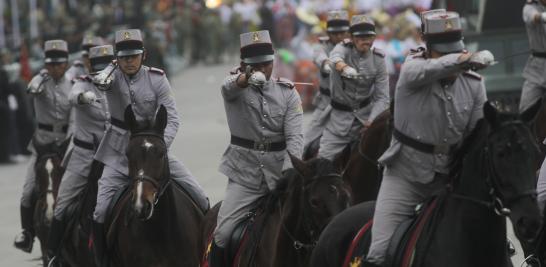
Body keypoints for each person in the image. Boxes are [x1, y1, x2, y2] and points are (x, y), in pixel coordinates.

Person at [363, 10, 493, 266]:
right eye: (443, 53)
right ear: (428, 49)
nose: (451, 60)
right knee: (379, 254)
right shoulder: (412, 71)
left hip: (450, 181)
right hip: (405, 177)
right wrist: (463, 58)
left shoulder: (475, 84)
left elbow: (479, 138)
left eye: (455, 51)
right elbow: (433, 68)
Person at [91, 29, 209, 267]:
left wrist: (159, 148)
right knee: (101, 211)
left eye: (134, 56)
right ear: (117, 59)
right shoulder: (110, 77)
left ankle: (206, 256)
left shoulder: (157, 78)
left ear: (143, 56)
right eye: (124, 57)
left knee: (202, 199)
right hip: (119, 156)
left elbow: (173, 118)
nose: (129, 62)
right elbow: (98, 83)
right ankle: (102, 261)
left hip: (154, 153)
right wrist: (108, 69)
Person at [208, 30, 304, 267]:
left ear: (273, 62)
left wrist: (289, 174)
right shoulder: (234, 87)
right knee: (223, 233)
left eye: (266, 63)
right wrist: (245, 79)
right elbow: (229, 87)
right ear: (243, 65)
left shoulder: (288, 93)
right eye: (255, 65)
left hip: (280, 175)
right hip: (245, 176)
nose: (262, 68)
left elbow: (295, 138)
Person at [46, 44, 114, 267]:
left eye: (106, 67)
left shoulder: (121, 85)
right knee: (62, 204)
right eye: (98, 68)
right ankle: (52, 256)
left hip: (114, 156)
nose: (102, 72)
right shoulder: (81, 84)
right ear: (89, 67)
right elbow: (73, 97)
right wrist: (84, 97)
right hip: (84, 157)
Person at [14, 40, 73, 253]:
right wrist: (39, 78)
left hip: (66, 145)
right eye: (51, 64)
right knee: (28, 190)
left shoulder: (74, 85)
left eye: (59, 64)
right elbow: (32, 88)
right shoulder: (40, 80)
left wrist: (70, 144)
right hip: (42, 144)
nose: (55, 68)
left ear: (66, 63)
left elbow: (75, 120)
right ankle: (27, 233)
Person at [317, 15, 389, 160]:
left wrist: (372, 120)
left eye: (369, 36)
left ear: (374, 37)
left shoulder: (379, 60)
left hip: (365, 122)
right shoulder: (342, 48)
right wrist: (343, 67)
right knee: (322, 161)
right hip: (338, 124)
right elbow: (334, 58)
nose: (365, 40)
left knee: (381, 161)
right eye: (360, 37)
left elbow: (382, 97)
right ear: (351, 37)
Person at [303, 10, 350, 158]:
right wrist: (331, 64)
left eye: (342, 33)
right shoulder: (320, 46)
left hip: (350, 106)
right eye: (335, 33)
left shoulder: (354, 47)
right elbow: (321, 59)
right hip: (325, 105)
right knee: (304, 143)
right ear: (328, 33)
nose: (339, 37)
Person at [519, 0, 546, 113]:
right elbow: (533, 17)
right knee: (525, 109)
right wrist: (542, 16)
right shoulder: (529, 7)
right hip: (537, 67)